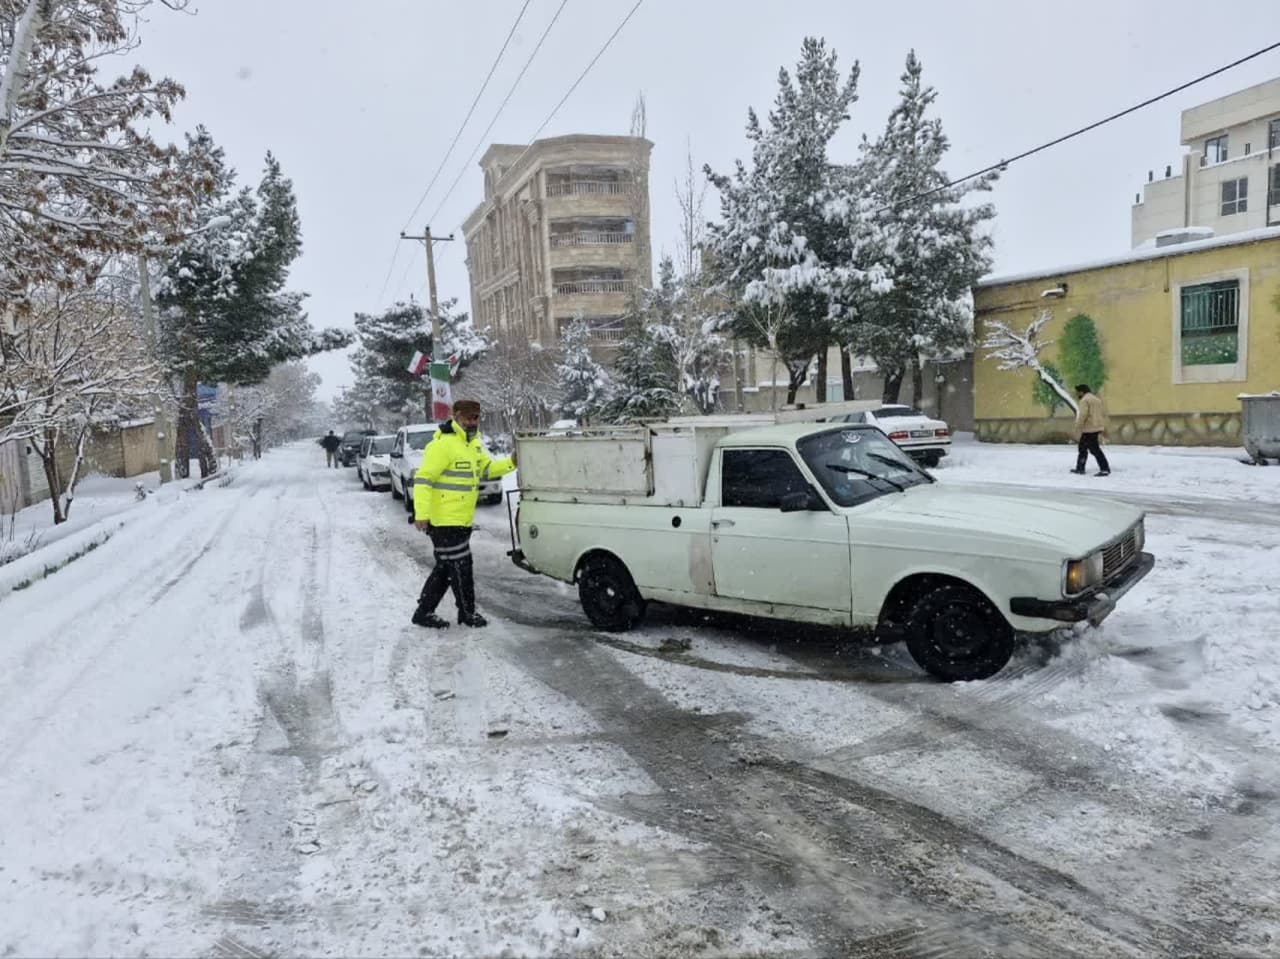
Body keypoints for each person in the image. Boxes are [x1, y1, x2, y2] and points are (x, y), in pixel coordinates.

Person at [411, 399, 517, 628]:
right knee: (461, 566)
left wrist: (512, 462)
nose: (473, 422)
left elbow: (487, 469)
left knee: (446, 568)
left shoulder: (474, 444)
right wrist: (422, 513)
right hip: (443, 521)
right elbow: (423, 480)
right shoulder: (442, 445)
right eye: (468, 417)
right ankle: (467, 613)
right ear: (456, 416)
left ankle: (424, 612)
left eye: (476, 417)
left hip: (462, 519)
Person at [1070, 384, 1110, 477]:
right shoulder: (1096, 399)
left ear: (1082, 392)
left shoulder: (1084, 400)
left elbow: (1083, 414)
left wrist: (1078, 425)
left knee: (1092, 449)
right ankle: (1080, 468)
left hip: (1089, 428)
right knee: (1084, 448)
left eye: (1078, 392)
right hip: (1096, 427)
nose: (1077, 394)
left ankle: (1104, 469)